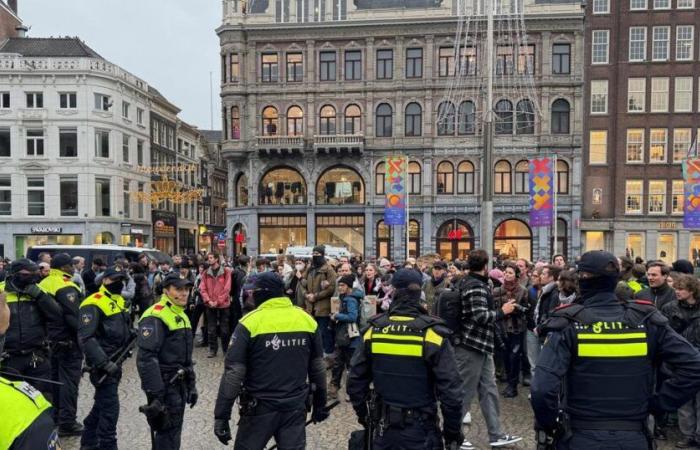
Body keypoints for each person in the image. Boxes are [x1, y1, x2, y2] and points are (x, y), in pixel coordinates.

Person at [531, 251, 700, 449]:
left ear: (582, 280)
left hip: (581, 435)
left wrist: (551, 425)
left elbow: (542, 388)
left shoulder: (568, 324)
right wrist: (660, 403)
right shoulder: (646, 321)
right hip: (633, 435)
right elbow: (694, 365)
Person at [347, 269, 465, 450]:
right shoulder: (432, 334)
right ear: (419, 293)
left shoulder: (373, 331)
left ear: (393, 291)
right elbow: (451, 392)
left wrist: (365, 416)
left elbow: (355, 381)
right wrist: (452, 434)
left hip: (382, 429)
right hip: (421, 429)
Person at [213, 272, 329, 449]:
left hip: (259, 409)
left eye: (253, 293)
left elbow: (233, 373)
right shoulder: (306, 319)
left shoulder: (249, 323)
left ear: (261, 293)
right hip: (295, 407)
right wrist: (321, 403)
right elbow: (318, 367)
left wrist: (222, 415)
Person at [454, 249, 522, 449]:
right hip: (470, 346)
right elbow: (480, 316)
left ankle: (496, 434)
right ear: (485, 266)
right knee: (464, 392)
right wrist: (502, 311)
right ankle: (454, 435)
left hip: (482, 346)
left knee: (489, 390)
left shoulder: (475, 283)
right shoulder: (474, 286)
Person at [137, 273, 197, 450]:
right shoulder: (155, 315)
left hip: (179, 384)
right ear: (166, 291)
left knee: (174, 431)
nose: (184, 293)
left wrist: (191, 385)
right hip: (164, 384)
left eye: (187, 289)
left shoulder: (181, 313)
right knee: (166, 432)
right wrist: (156, 395)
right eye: (178, 289)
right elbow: (146, 358)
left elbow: (186, 358)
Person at [78, 268, 133, 450]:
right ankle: (108, 445)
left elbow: (118, 329)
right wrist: (103, 362)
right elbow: (86, 337)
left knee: (102, 405)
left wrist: (130, 335)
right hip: (101, 366)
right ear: (105, 280)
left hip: (116, 362)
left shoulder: (118, 301)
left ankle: (88, 441)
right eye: (115, 279)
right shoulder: (93, 302)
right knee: (110, 409)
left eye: (122, 279)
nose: (119, 282)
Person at [38, 253, 85, 437]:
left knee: (54, 381)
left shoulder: (43, 284)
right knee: (68, 383)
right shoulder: (65, 286)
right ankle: (67, 422)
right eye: (71, 265)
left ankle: (56, 417)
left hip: (49, 342)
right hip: (67, 342)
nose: (74, 268)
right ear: (65, 267)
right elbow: (74, 318)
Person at [2, 259, 62, 401]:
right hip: (7, 358)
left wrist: (40, 297)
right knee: (10, 400)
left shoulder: (39, 291)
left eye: (35, 273)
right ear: (14, 274)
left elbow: (57, 316)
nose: (33, 276)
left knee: (43, 398)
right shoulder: (1, 292)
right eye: (28, 273)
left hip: (36, 356)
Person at [660, 274, 700, 448]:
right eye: (675, 288)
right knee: (684, 401)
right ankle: (688, 435)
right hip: (680, 360)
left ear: (691, 291)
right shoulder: (670, 308)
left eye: (680, 289)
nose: (676, 291)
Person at [492, 262, 528, 398]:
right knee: (505, 356)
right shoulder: (497, 290)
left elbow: (526, 310)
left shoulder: (522, 290)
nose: (507, 275)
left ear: (516, 275)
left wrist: (517, 308)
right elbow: (494, 309)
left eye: (510, 273)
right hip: (502, 328)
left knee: (514, 357)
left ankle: (513, 385)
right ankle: (509, 383)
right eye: (506, 272)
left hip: (517, 328)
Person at [300, 245, 337, 361]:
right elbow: (302, 283)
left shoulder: (329, 270)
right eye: (314, 254)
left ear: (323, 254)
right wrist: (306, 295)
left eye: (318, 254)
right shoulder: (310, 268)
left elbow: (331, 288)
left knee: (324, 332)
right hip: (310, 307)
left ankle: (328, 357)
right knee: (313, 332)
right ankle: (315, 355)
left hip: (323, 308)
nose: (315, 256)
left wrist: (315, 296)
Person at [329, 275, 362, 399]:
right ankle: (334, 388)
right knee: (337, 364)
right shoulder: (343, 298)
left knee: (350, 365)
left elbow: (352, 317)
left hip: (350, 338)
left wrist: (337, 316)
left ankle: (350, 391)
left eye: (342, 285)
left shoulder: (350, 300)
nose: (340, 287)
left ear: (348, 286)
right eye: (339, 285)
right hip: (343, 336)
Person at [200, 252, 232, 358]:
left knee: (224, 330)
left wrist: (217, 301)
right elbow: (202, 289)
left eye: (211, 258)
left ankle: (226, 350)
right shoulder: (205, 273)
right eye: (208, 258)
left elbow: (227, 288)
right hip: (210, 305)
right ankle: (212, 350)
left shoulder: (226, 272)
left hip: (223, 305)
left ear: (216, 259)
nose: (209, 260)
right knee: (211, 329)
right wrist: (208, 301)